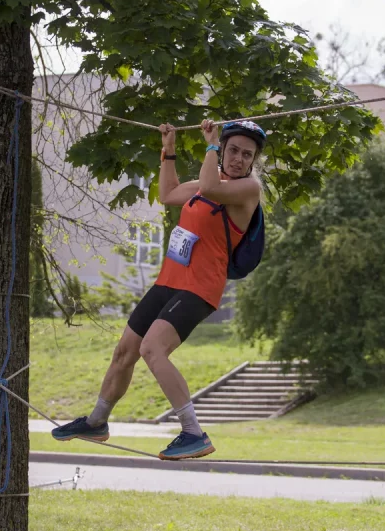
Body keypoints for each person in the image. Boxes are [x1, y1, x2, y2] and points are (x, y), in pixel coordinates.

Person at [51, 119, 266, 459]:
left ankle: (194, 433)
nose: (239, 158)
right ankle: (97, 421)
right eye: (233, 150)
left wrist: (211, 143)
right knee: (125, 353)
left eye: (247, 154)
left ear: (253, 162)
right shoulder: (204, 182)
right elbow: (168, 195)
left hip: (200, 286)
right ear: (225, 151)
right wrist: (169, 151)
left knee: (153, 349)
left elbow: (210, 188)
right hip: (169, 281)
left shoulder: (247, 190)